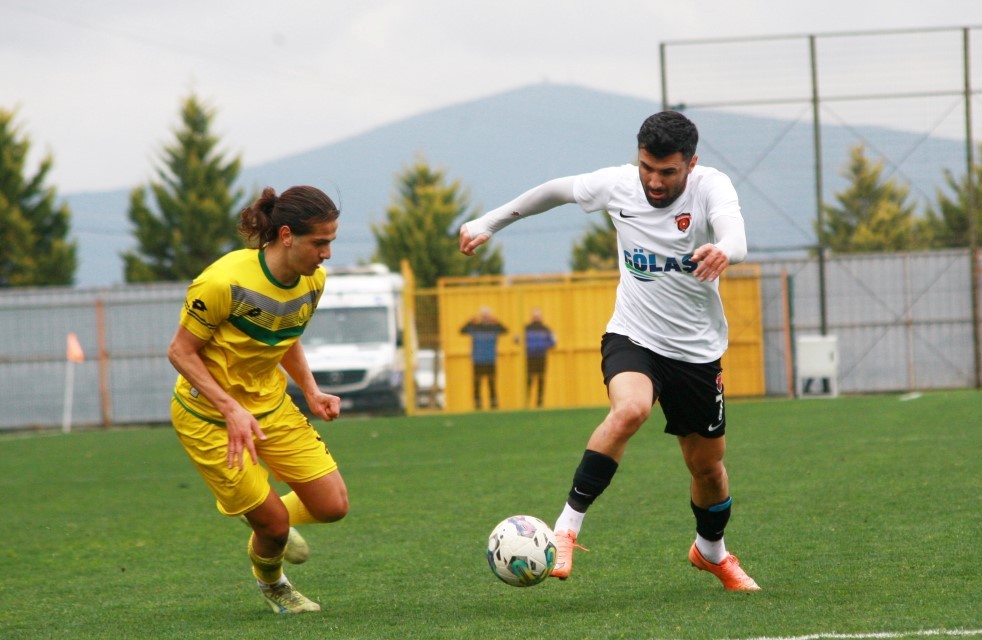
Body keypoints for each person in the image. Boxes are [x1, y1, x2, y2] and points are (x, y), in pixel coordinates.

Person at [459, 110, 760, 591]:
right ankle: (565, 529)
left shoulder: (711, 187)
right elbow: (555, 190)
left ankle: (711, 552)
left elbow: (735, 235)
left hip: (697, 353)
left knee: (708, 469)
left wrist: (726, 250)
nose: (654, 181)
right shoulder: (617, 185)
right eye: (647, 167)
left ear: (691, 164)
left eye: (668, 171)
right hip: (633, 336)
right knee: (631, 410)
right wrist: (488, 223)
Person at [168, 185, 350, 614]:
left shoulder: (312, 282)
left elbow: (282, 333)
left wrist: (310, 389)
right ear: (286, 235)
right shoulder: (221, 282)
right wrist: (229, 407)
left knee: (332, 506)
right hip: (207, 418)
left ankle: (274, 523)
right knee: (273, 525)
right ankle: (275, 587)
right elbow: (180, 351)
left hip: (270, 406)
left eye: (330, 243)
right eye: (319, 243)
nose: (326, 254)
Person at [460, 307, 508, 409]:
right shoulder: (475, 327)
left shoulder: (494, 327)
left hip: (490, 359)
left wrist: (496, 321)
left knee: (492, 382)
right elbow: (462, 330)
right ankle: (477, 403)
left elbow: (505, 330)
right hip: (478, 359)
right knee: (477, 383)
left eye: (487, 316)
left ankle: (493, 403)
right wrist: (470, 321)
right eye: (483, 316)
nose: (485, 318)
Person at [524, 308, 556, 408]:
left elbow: (553, 342)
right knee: (529, 380)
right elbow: (517, 340)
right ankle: (526, 402)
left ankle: (539, 402)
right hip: (529, 357)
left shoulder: (546, 329)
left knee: (541, 379)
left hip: (541, 357)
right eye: (535, 317)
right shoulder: (526, 329)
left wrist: (542, 346)